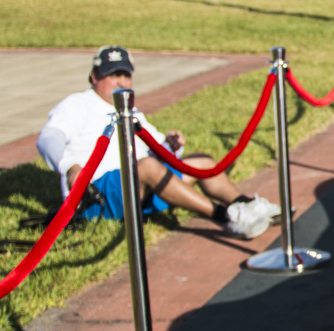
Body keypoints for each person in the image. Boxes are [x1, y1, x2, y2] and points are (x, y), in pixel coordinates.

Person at [37, 46, 280, 238]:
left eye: (125, 75)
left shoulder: (131, 111)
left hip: (138, 185)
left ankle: (248, 205)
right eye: (113, 75)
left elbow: (155, 147)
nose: (121, 82)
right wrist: (70, 167)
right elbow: (48, 138)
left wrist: (172, 145)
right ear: (94, 76)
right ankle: (228, 218)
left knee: (202, 161)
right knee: (146, 167)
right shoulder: (77, 104)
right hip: (95, 196)